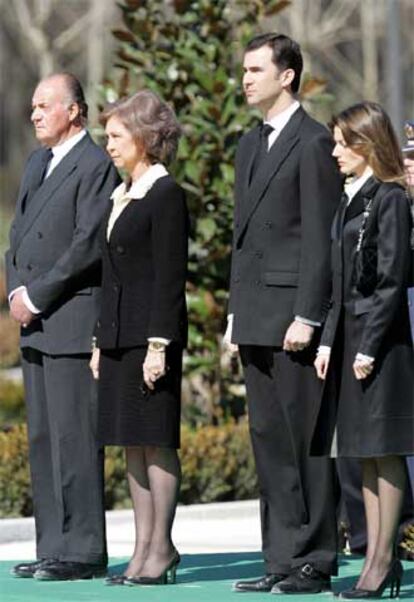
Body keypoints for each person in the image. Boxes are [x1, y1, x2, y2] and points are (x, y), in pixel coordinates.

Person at [224, 33, 342, 594]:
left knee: (305, 443)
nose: (245, 79)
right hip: (253, 315)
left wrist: (308, 315)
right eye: (243, 70)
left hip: (293, 318)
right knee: (268, 439)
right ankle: (278, 559)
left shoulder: (314, 141)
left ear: (286, 76)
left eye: (254, 70)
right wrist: (233, 312)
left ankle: (315, 560)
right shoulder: (249, 145)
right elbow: (241, 240)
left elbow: (320, 240)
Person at [5, 73, 119, 580]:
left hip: (70, 320)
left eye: (44, 106)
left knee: (75, 439)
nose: (34, 114)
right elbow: (17, 235)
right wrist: (14, 289)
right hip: (34, 323)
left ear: (74, 111)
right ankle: (53, 544)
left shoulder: (95, 165)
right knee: (44, 439)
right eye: (32, 106)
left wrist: (37, 294)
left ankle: (83, 550)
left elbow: (86, 245)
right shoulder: (36, 163)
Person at [312, 101, 414, 598]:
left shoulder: (390, 198)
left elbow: (391, 281)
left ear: (367, 143)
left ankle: (383, 561)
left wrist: (369, 346)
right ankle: (375, 558)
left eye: (341, 142)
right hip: (351, 340)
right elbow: (339, 282)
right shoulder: (350, 198)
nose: (334, 152)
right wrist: (329, 341)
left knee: (383, 451)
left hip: (381, 344)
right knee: (362, 454)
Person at [90, 90, 188, 587]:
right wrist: (98, 341)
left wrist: (158, 346)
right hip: (117, 338)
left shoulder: (165, 194)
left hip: (152, 339)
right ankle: (141, 547)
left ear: (145, 139)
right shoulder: (122, 192)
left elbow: (170, 279)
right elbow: (113, 275)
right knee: (130, 444)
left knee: (156, 443)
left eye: (115, 136)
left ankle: (162, 547)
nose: (107, 144)